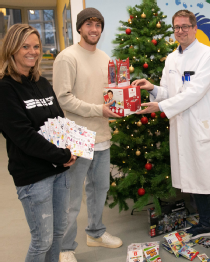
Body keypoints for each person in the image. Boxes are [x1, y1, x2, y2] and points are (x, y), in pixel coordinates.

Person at [132, 9, 210, 262]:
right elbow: (169, 91)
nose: (180, 31)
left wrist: (161, 107)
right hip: (183, 130)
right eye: (176, 27)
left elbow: (194, 92)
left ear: (194, 28)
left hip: (203, 129)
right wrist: (152, 88)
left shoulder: (208, 55)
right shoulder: (171, 59)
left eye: (185, 26)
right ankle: (205, 223)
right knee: (196, 179)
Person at [0, 24, 77, 262]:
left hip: (59, 171)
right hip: (33, 177)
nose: (32, 52)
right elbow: (23, 135)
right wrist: (62, 155)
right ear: (12, 49)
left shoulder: (42, 82)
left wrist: (71, 146)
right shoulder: (5, 87)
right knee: (41, 240)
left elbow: (59, 120)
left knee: (57, 235)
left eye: (36, 46)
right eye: (25, 46)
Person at [53, 8, 122, 262]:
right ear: (80, 28)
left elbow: (110, 94)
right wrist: (99, 109)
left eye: (98, 25)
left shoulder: (105, 57)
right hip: (77, 136)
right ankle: (65, 247)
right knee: (71, 197)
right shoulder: (67, 57)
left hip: (102, 134)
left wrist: (120, 104)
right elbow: (64, 98)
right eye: (89, 24)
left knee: (99, 189)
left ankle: (95, 232)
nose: (94, 29)